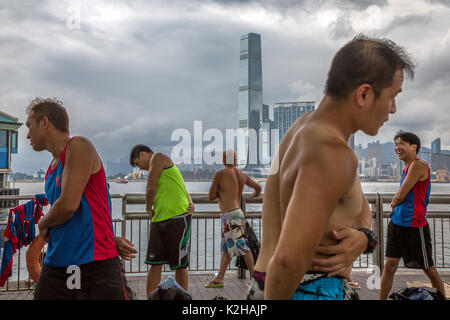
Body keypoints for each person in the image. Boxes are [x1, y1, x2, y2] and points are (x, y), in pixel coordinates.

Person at [247, 34, 415, 300]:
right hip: (302, 289)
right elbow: (289, 260)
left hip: (265, 281)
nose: (393, 109)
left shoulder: (303, 128)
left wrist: (364, 238)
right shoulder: (332, 152)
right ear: (364, 94)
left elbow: (360, 207)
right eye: (392, 97)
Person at [26, 97, 129, 300]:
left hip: (95, 266)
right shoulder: (51, 169)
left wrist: (43, 222)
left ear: (45, 122)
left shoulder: (79, 146)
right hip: (58, 263)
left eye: (30, 126)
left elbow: (68, 205)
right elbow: (79, 213)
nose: (28, 135)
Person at [379, 132, 446, 299]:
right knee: (389, 265)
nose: (397, 148)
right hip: (397, 223)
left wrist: (393, 203)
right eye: (395, 145)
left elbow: (401, 195)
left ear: (413, 146)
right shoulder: (407, 167)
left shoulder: (418, 165)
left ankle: (441, 298)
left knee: (428, 267)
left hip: (415, 225)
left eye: (401, 144)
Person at [129, 145, 194, 299]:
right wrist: (190, 200)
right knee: (154, 263)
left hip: (177, 218)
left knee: (180, 265)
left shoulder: (158, 158)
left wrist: (148, 209)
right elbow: (179, 185)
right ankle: (149, 298)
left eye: (138, 163)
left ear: (143, 154)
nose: (140, 168)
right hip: (160, 219)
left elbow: (150, 188)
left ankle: (184, 299)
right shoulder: (160, 165)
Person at [205, 150, 261, 288]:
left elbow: (211, 196)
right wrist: (254, 195)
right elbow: (258, 187)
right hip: (237, 213)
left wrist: (221, 192)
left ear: (224, 160)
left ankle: (254, 279)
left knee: (243, 247)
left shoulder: (220, 174)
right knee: (227, 249)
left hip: (230, 216)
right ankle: (219, 278)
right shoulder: (241, 174)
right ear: (235, 160)